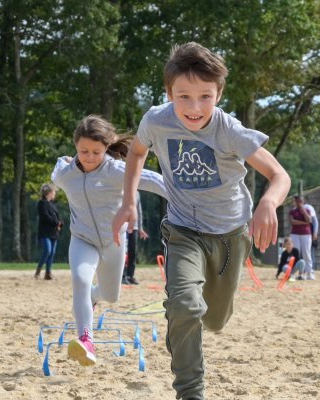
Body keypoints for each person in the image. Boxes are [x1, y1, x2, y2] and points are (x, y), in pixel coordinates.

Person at [111, 42, 290, 400]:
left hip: (229, 235)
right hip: (182, 230)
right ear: (168, 93)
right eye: (184, 97)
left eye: (205, 97)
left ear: (219, 94)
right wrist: (129, 200)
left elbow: (279, 175)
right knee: (185, 306)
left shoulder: (230, 131)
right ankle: (190, 391)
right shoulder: (156, 121)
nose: (194, 108)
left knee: (215, 319)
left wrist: (268, 203)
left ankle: (193, 323)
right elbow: (137, 151)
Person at [52, 115, 167, 368]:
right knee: (81, 280)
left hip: (113, 240)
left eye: (96, 151)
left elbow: (153, 180)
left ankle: (95, 298)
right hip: (82, 239)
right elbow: (57, 171)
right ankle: (86, 341)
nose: (89, 157)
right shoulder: (66, 175)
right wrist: (64, 162)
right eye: (83, 151)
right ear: (75, 146)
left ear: (106, 148)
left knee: (111, 296)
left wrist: (186, 195)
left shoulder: (116, 170)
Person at [122, 191, 152, 285]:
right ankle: (122, 276)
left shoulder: (137, 193)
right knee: (123, 252)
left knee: (133, 252)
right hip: (123, 227)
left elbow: (139, 211)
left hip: (134, 227)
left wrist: (140, 228)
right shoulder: (120, 190)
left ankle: (130, 276)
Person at [35, 183, 62, 280]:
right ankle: (38, 270)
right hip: (45, 232)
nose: (55, 194)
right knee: (48, 250)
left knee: (52, 253)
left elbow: (57, 217)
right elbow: (45, 216)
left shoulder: (53, 205)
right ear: (49, 193)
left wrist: (60, 224)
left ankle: (48, 273)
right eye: (54, 192)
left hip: (54, 233)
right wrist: (56, 223)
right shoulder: (42, 203)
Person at [290, 195, 314, 280]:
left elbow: (309, 220)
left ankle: (309, 272)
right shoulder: (293, 211)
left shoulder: (307, 210)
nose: (299, 203)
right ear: (295, 202)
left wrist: (303, 211)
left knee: (306, 253)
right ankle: (294, 272)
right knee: (296, 253)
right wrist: (303, 223)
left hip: (306, 234)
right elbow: (293, 222)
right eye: (298, 202)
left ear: (303, 202)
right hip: (295, 234)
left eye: (301, 202)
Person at [304, 201, 319, 271]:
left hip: (310, 233)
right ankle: (305, 268)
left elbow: (315, 221)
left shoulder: (308, 207)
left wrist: (315, 233)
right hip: (303, 233)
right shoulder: (295, 209)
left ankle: (311, 268)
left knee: (311, 251)